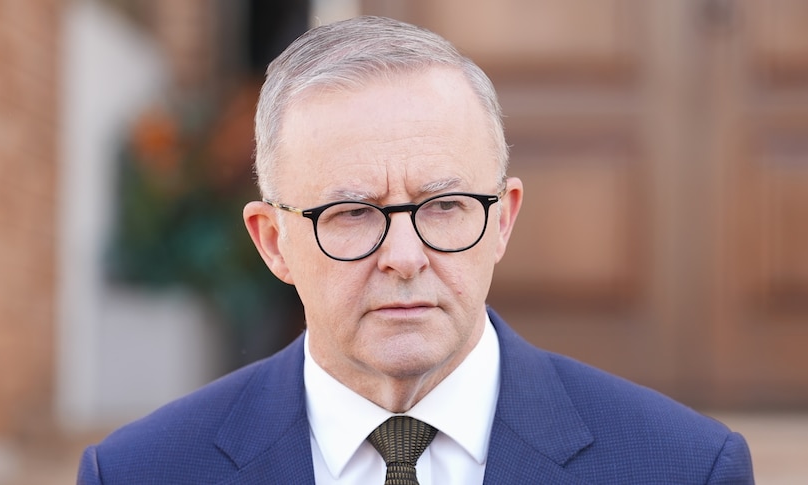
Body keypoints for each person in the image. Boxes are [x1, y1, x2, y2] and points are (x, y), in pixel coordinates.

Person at [78, 15, 754, 484]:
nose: (404, 255)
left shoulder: (683, 467)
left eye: (444, 205)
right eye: (351, 212)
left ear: (502, 220)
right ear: (273, 240)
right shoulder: (143, 471)